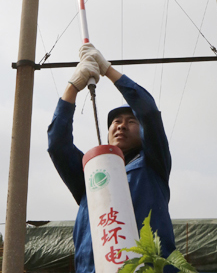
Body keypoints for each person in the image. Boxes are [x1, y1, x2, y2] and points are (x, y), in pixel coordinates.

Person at [48, 43, 175, 273]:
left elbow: (148, 112)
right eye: (116, 122)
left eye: (130, 121)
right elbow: (57, 145)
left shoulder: (153, 164)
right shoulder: (90, 173)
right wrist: (73, 87)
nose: (121, 126)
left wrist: (107, 70)